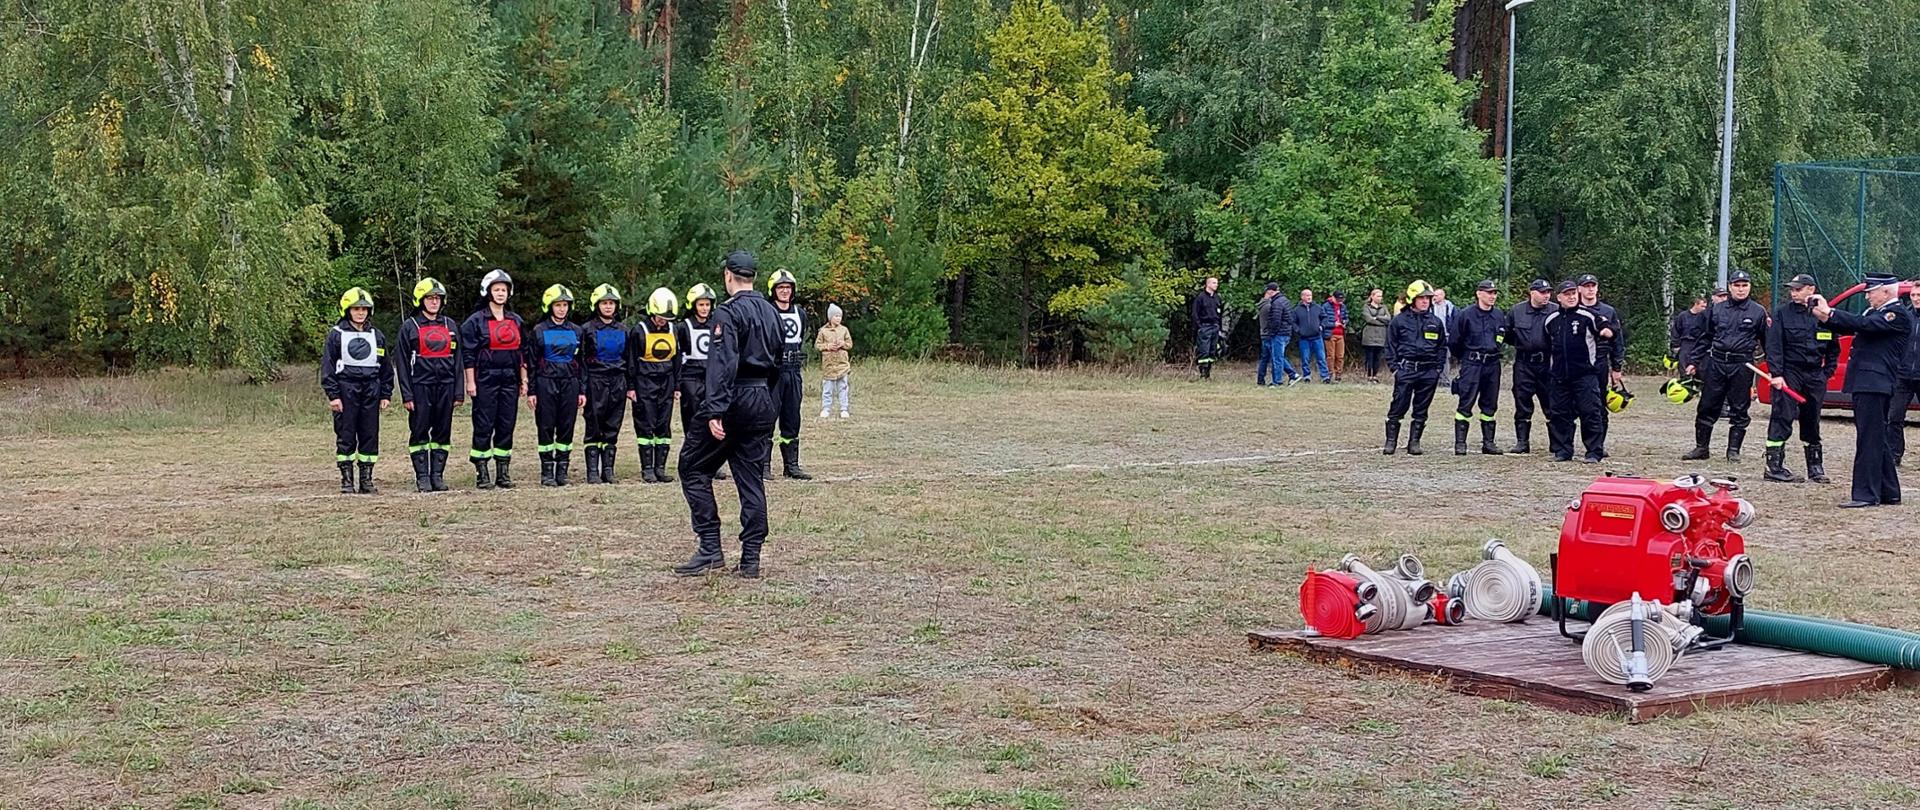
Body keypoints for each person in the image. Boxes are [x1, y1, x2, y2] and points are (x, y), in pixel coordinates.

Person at [676, 250, 784, 578]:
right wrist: (769, 401)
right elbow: (781, 359)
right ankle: (751, 558)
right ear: (752, 276)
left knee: (692, 466)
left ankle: (710, 548)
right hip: (763, 397)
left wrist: (714, 410)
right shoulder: (771, 311)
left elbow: (722, 363)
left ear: (727, 276)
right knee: (751, 479)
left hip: (735, 397)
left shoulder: (726, 313)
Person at [1812, 273, 1911, 507]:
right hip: (1868, 382)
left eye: (1871, 291)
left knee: (1869, 439)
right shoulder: (1877, 313)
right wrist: (1825, 317)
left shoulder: (1895, 314)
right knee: (1876, 437)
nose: (1867, 296)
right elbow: (1856, 323)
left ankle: (1866, 494)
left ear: (1886, 291)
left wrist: (1831, 312)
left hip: (1875, 383)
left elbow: (1862, 325)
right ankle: (1889, 490)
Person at [1760, 274, 1840, 483]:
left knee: (1812, 419)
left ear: (1810, 289)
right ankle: (1773, 467)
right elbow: (1774, 346)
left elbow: (1833, 348)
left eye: (1798, 289)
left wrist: (1826, 373)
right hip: (1789, 373)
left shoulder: (1823, 314)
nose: (1793, 293)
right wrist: (1776, 374)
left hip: (1814, 374)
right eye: (1792, 289)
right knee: (1782, 417)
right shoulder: (1782, 314)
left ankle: (1815, 468)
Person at [1683, 269, 1769, 462]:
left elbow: (1767, 342)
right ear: (1730, 287)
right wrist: (1693, 361)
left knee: (1739, 408)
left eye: (1744, 285)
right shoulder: (1716, 309)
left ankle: (1733, 451)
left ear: (1749, 287)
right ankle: (1701, 448)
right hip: (1717, 363)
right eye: (1736, 286)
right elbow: (1705, 337)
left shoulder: (1758, 312)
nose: (1740, 289)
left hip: (1742, 365)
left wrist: (1774, 368)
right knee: (1707, 406)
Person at [321, 287, 393, 494]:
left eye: (364, 309)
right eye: (356, 309)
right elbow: (328, 366)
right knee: (346, 434)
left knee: (370, 434)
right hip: (346, 389)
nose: (360, 312)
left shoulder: (376, 335)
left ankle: (366, 478)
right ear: (347, 310)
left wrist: (386, 393)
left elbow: (386, 367)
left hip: (371, 389)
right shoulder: (336, 335)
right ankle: (346, 479)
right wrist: (333, 395)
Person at [462, 269, 528, 489]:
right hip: (484, 379)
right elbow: (468, 355)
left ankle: (503, 471)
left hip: (509, 379)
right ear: (487, 291)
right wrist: (470, 382)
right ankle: (482, 471)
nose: (501, 293)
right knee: (484, 424)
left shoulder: (516, 320)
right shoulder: (475, 321)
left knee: (506, 424)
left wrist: (523, 380)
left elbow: (522, 353)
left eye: (504, 290)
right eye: (496, 289)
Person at [394, 278, 462, 493]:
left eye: (437, 298)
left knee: (443, 432)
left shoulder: (450, 325)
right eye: (430, 298)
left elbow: (458, 360)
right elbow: (402, 363)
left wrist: (458, 391)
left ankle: (437, 476)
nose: (434, 302)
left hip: (446, 386)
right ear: (420, 300)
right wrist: (407, 395)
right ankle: (422, 476)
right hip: (420, 386)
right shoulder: (409, 327)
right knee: (420, 431)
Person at [1544, 281, 1608, 463]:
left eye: (1574, 294)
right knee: (1560, 414)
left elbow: (1607, 328)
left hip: (1584, 375)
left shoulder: (1587, 316)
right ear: (1559, 298)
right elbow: (1548, 345)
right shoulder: (1551, 320)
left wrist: (1606, 331)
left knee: (1591, 412)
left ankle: (1594, 452)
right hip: (1559, 376)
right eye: (1567, 294)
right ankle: (1564, 450)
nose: (1572, 297)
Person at [528, 284, 586, 487]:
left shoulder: (577, 331)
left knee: (566, 426)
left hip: (570, 383)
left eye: (565, 305)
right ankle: (547, 472)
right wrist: (532, 391)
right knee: (545, 426)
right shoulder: (539, 330)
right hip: (546, 382)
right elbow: (532, 363)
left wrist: (582, 390)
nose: (562, 309)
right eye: (558, 305)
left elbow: (582, 363)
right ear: (549, 306)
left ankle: (562, 470)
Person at [1383, 282, 1447, 455]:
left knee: (1421, 408)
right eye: (1421, 298)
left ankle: (1415, 442)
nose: (1425, 301)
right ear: (1412, 299)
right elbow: (1390, 346)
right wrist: (1395, 368)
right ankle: (1391, 441)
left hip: (1429, 371)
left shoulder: (1435, 322)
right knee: (1398, 404)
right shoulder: (1399, 321)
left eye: (1428, 298)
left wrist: (1438, 369)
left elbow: (1442, 347)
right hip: (1406, 369)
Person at [1450, 280, 1511, 455]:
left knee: (1490, 404)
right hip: (1472, 364)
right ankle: (1460, 443)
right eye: (1489, 292)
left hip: (1492, 364)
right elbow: (1454, 341)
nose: (1492, 296)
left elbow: (1503, 336)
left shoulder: (1499, 315)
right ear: (1479, 294)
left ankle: (1488, 443)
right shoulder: (1465, 314)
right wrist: (1467, 358)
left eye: (1494, 293)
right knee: (1466, 402)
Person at [676, 283, 727, 482]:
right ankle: (692, 462)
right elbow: (678, 357)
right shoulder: (683, 326)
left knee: (713, 421)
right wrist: (678, 384)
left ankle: (712, 464)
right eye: (701, 304)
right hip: (690, 379)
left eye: (707, 304)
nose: (704, 308)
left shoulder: (717, 325)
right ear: (693, 305)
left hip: (711, 379)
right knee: (692, 422)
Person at [581, 284, 631, 484]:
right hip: (596, 380)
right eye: (604, 303)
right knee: (594, 423)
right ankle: (592, 471)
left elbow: (629, 358)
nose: (608, 307)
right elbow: (583, 360)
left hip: (617, 380)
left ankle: (608, 469)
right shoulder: (587, 329)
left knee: (613, 423)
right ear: (597, 305)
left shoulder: (623, 329)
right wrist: (583, 388)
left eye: (611, 303)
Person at [633, 287, 682, 484]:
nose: (664, 320)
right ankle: (647, 468)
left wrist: (677, 385)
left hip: (667, 381)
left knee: (663, 425)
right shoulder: (639, 330)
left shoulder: (673, 329)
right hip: (645, 381)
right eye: (661, 316)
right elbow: (631, 361)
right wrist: (631, 386)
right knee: (646, 424)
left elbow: (677, 359)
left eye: (667, 317)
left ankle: (660, 468)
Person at [768, 269, 814, 479]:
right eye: (781, 288)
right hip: (773, 373)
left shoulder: (800, 313)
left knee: (792, 417)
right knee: (767, 418)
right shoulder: (768, 311)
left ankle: (791, 465)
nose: (785, 291)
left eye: (788, 288)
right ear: (773, 290)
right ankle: (763, 465)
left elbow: (800, 338)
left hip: (793, 372)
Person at [1576, 274, 1625, 455]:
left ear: (1597, 288)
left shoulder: (1608, 311)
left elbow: (1617, 341)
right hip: (1578, 363)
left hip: (1600, 362)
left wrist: (1617, 368)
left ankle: (1598, 445)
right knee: (1577, 406)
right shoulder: (1573, 309)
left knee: (1599, 405)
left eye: (1593, 286)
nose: (1590, 289)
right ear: (1579, 289)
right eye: (1586, 286)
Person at [1507, 279, 1555, 454]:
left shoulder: (1555, 310)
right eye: (1542, 292)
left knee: (1551, 404)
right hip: (1524, 363)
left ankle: (1556, 443)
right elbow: (1508, 334)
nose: (1546, 296)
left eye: (1548, 292)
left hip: (1547, 364)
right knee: (1522, 402)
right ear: (1531, 293)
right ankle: (1522, 442)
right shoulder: (1517, 311)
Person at [1890, 283, 1920, 466]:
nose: (1916, 298)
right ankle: (1894, 454)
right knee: (1893, 417)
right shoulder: (1905, 317)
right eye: (1913, 295)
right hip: (1902, 375)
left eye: (1919, 295)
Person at [817, 304, 853, 418]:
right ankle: (826, 408)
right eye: (836, 316)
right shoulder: (823, 331)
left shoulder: (844, 330)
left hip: (842, 364)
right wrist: (828, 346)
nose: (838, 318)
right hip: (829, 365)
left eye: (840, 316)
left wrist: (843, 344)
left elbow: (850, 344)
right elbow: (818, 345)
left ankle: (844, 408)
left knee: (843, 387)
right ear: (830, 317)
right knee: (827, 388)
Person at [1292, 288, 1334, 383]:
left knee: (1321, 357)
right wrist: (1298, 330)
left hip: (1317, 337)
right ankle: (1307, 376)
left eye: (1310, 295)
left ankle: (1325, 377)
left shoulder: (1318, 307)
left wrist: (1322, 326)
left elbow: (1324, 318)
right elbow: (1293, 322)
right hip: (1304, 338)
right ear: (1302, 297)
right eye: (1307, 295)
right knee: (1305, 358)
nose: (1309, 297)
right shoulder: (1297, 310)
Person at [1255, 283, 1292, 385]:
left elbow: (1276, 320)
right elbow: (1289, 318)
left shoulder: (1276, 303)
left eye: (1268, 291)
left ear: (1271, 291)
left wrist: (1272, 333)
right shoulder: (1285, 301)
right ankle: (1291, 375)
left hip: (1278, 334)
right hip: (1285, 332)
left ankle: (1277, 381)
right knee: (1277, 357)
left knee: (1277, 358)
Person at [1192, 277, 1222, 379]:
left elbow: (1220, 313)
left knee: (1212, 351)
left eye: (1217, 283)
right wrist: (1200, 326)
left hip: (1215, 326)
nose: (1216, 285)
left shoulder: (1217, 298)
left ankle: (1208, 373)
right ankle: (1202, 373)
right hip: (1204, 326)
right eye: (1214, 283)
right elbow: (1195, 313)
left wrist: (1219, 327)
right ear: (1208, 284)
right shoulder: (1200, 297)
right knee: (1204, 350)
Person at [1670, 294, 1707, 371]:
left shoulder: (1705, 317)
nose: (1704, 309)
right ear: (1696, 304)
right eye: (1702, 306)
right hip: (1685, 345)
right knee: (1683, 368)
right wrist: (1676, 345)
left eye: (1705, 307)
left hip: (1699, 344)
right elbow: (1676, 331)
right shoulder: (1683, 316)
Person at [1361, 288, 1390, 384]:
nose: (1380, 298)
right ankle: (1369, 375)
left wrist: (1377, 317)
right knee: (1369, 357)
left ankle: (1375, 376)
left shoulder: (1384, 307)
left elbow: (1389, 319)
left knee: (1378, 357)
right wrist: (1382, 321)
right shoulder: (1366, 307)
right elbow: (1368, 319)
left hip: (1381, 336)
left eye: (1381, 296)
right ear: (1372, 296)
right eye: (1378, 296)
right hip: (1369, 337)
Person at [1327, 291, 1348, 381]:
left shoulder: (1343, 306)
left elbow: (1346, 316)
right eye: (1338, 299)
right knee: (1331, 356)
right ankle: (1330, 373)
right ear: (1333, 297)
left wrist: (1345, 322)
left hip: (1341, 333)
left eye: (1341, 299)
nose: (1340, 301)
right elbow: (1323, 320)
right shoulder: (1326, 306)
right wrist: (1333, 324)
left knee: (1340, 355)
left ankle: (1338, 374)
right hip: (1330, 333)